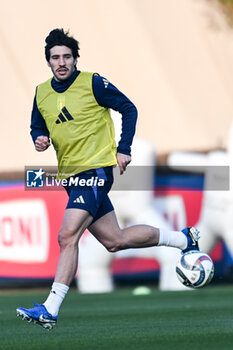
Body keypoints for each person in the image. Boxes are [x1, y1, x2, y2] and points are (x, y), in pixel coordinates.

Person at [16, 28, 200, 330]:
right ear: (48, 62)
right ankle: (184, 239)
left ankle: (50, 308)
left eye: (66, 56)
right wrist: (39, 138)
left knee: (67, 236)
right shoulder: (42, 92)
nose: (61, 62)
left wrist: (123, 148)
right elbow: (37, 126)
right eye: (55, 58)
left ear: (75, 58)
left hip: (96, 170)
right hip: (70, 177)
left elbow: (129, 107)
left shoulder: (93, 83)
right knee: (116, 241)